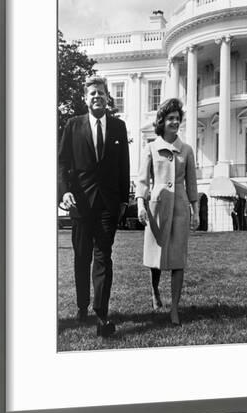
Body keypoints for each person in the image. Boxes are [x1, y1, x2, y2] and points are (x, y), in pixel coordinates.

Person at [58, 76, 130, 337]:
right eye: (92, 94)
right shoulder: (72, 126)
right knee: (82, 257)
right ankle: (82, 306)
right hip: (80, 204)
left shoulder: (118, 127)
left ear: (107, 97)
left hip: (108, 205)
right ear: (85, 98)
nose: (96, 96)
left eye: (100, 93)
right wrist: (64, 192)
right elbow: (62, 162)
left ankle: (101, 313)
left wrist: (124, 199)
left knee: (103, 257)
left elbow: (124, 165)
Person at [136, 98, 199, 326]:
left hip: (181, 208)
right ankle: (154, 292)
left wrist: (196, 210)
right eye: (170, 118)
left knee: (178, 259)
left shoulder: (187, 150)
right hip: (158, 208)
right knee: (155, 258)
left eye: (177, 118)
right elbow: (142, 180)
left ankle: (174, 308)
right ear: (161, 121)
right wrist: (141, 205)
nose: (174, 122)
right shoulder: (151, 148)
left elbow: (193, 184)